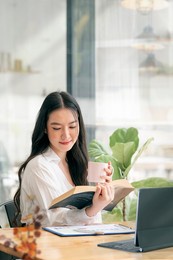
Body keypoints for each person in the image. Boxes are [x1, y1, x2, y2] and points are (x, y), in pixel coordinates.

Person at [14, 91, 114, 227]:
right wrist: (93, 209)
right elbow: (53, 221)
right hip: (46, 245)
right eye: (57, 128)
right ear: (44, 128)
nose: (66, 135)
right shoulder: (38, 166)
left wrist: (101, 192)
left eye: (72, 126)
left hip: (76, 244)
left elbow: (91, 225)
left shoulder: (76, 164)